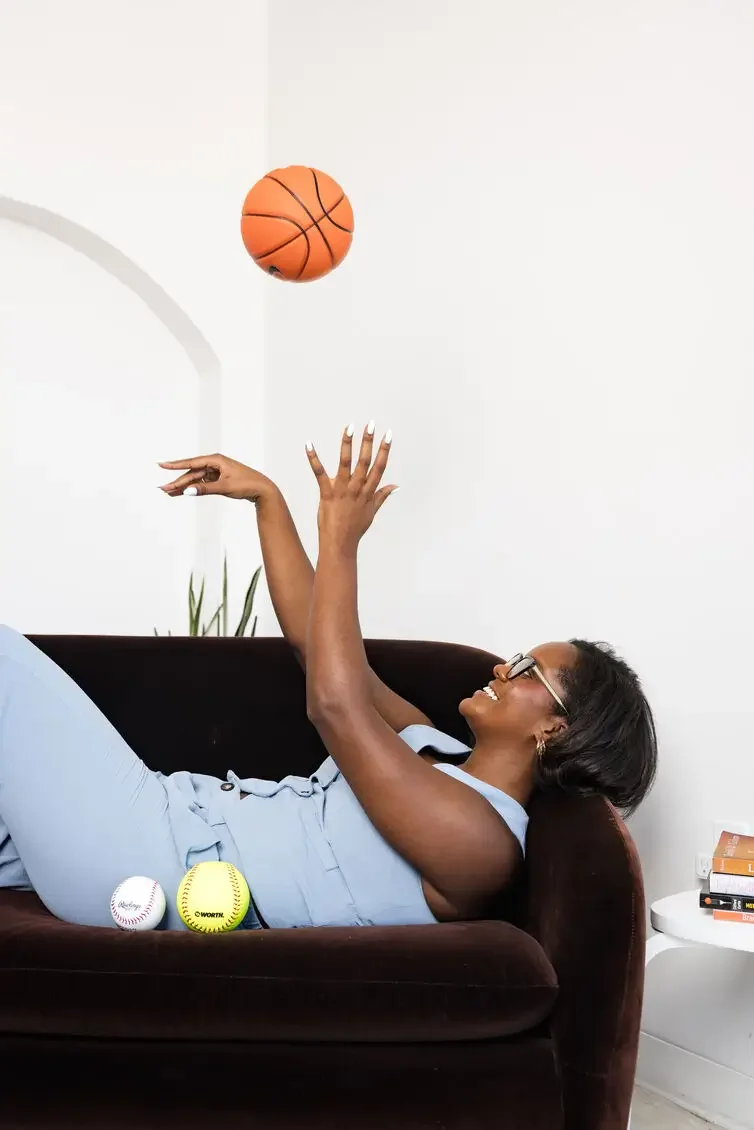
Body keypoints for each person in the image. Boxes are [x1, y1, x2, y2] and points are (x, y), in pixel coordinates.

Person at [0, 425, 656, 931]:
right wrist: (267, 498)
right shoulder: (433, 750)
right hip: (159, 822)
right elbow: (321, 654)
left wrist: (341, 540)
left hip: (152, 860)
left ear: (556, 728)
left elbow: (335, 707)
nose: (499, 669)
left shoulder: (482, 846)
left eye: (524, 671)